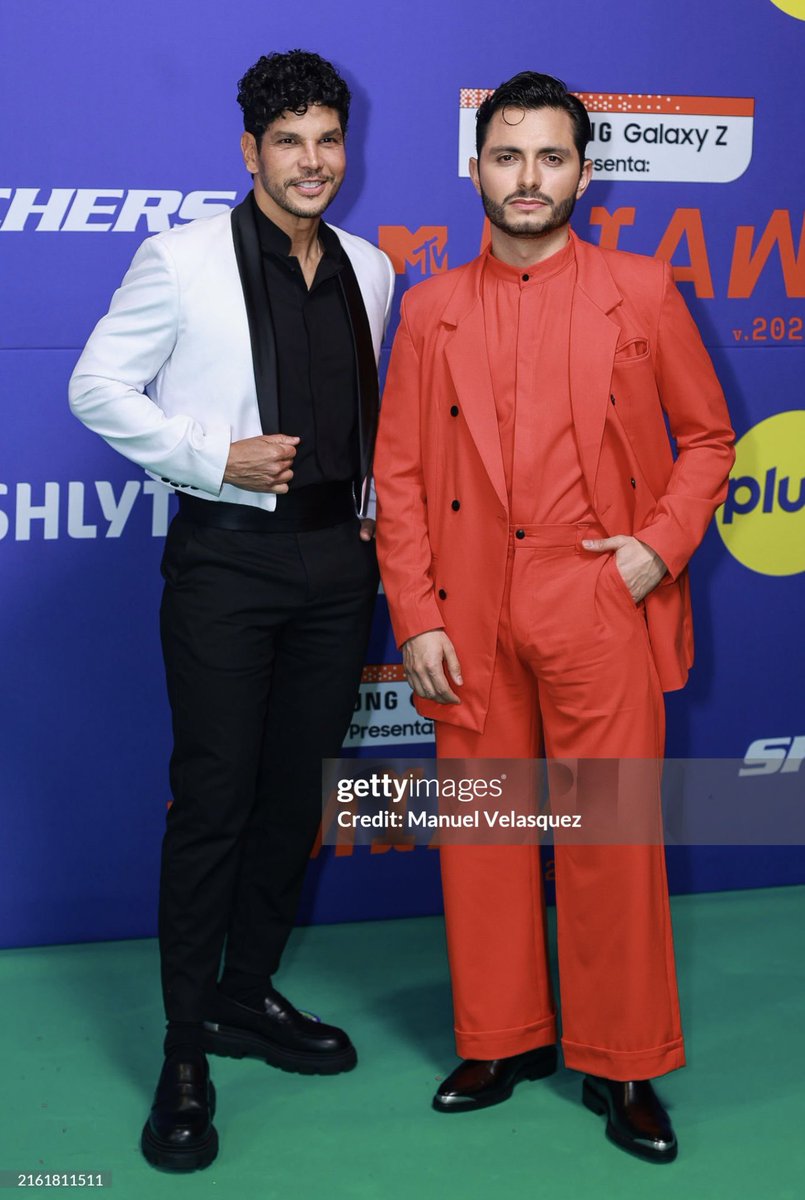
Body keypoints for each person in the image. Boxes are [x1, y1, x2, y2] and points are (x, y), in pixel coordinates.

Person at [374, 71, 734, 1164]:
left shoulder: (642, 289)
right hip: (466, 610)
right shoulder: (429, 308)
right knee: (483, 835)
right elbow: (395, 476)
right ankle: (500, 1038)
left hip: (595, 600)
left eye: (549, 158)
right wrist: (417, 614)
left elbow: (708, 439)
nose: (526, 179)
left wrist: (651, 552)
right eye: (506, 156)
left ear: (583, 171)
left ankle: (622, 1062)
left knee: (608, 842)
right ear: (475, 168)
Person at [69, 49, 394, 1172]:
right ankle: (183, 1045)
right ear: (249, 151)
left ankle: (245, 994)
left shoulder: (373, 264)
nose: (312, 161)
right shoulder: (181, 257)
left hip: (334, 572)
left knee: (287, 799)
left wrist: (363, 522)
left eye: (327, 139)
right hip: (225, 562)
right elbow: (95, 384)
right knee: (211, 800)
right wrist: (214, 457)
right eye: (289, 141)